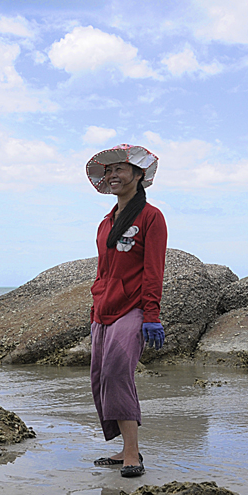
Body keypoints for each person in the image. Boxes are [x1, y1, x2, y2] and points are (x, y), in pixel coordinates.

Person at [85, 144, 167, 477]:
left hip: (133, 308)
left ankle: (133, 453)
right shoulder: (106, 223)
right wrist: (95, 306)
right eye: (109, 171)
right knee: (101, 377)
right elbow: (104, 271)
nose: (113, 176)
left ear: (138, 175)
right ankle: (123, 448)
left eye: (120, 169)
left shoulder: (151, 217)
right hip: (103, 309)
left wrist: (152, 316)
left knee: (119, 372)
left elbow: (153, 270)